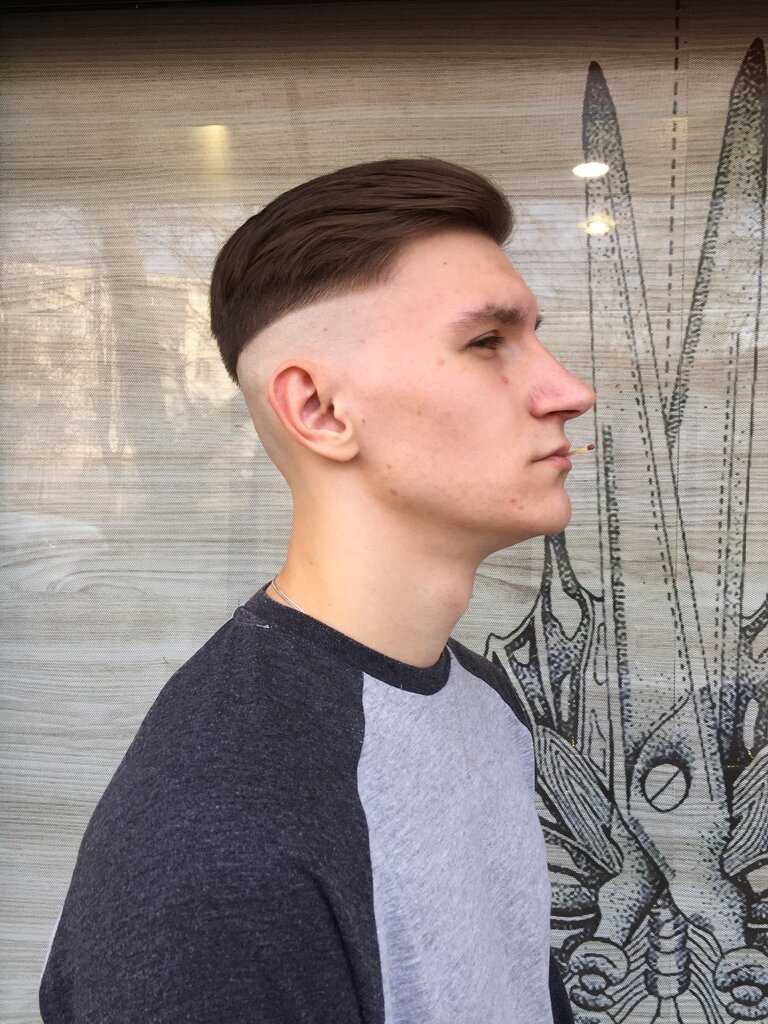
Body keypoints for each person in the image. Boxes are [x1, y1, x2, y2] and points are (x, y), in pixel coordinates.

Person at [39, 157, 595, 1023]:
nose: (569, 392)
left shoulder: (480, 701)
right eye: (488, 342)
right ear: (320, 411)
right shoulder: (218, 845)